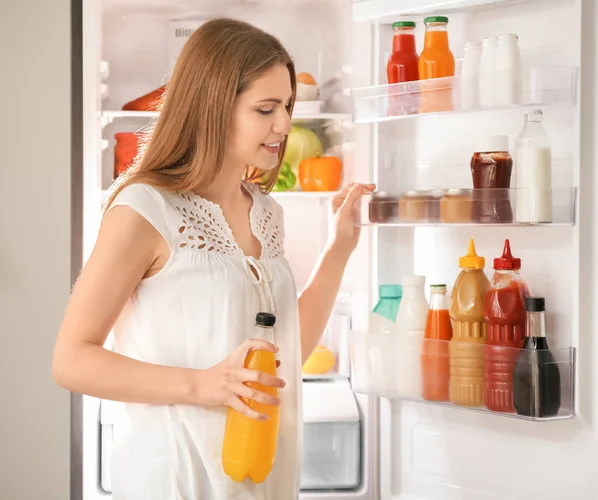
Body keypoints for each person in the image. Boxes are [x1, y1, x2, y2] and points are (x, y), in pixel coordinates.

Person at [52, 17, 374, 500]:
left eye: (287, 105)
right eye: (266, 109)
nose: (284, 124)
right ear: (213, 106)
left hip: (261, 479)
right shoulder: (146, 208)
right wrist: (202, 385)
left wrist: (339, 249)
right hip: (177, 482)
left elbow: (286, 350)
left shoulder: (265, 211)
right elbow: (72, 360)